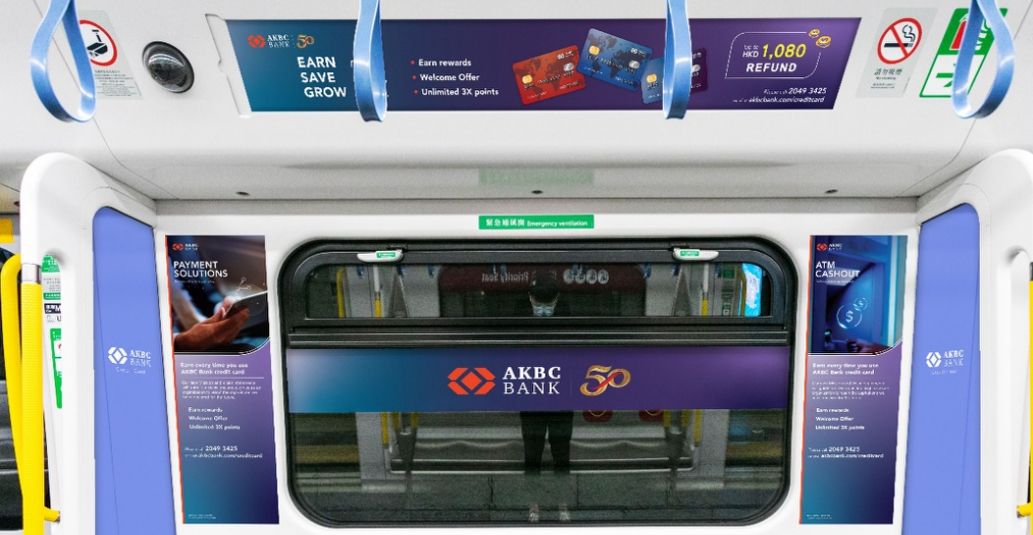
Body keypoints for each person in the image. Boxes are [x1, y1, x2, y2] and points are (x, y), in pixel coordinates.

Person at [520, 271, 574, 522]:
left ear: (557, 299)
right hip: (531, 399)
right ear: (530, 298)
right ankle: (534, 504)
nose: (543, 308)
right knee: (532, 455)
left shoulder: (569, 318)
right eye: (538, 302)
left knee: (561, 454)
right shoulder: (519, 318)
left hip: (561, 399)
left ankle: (563, 503)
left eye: (548, 302)